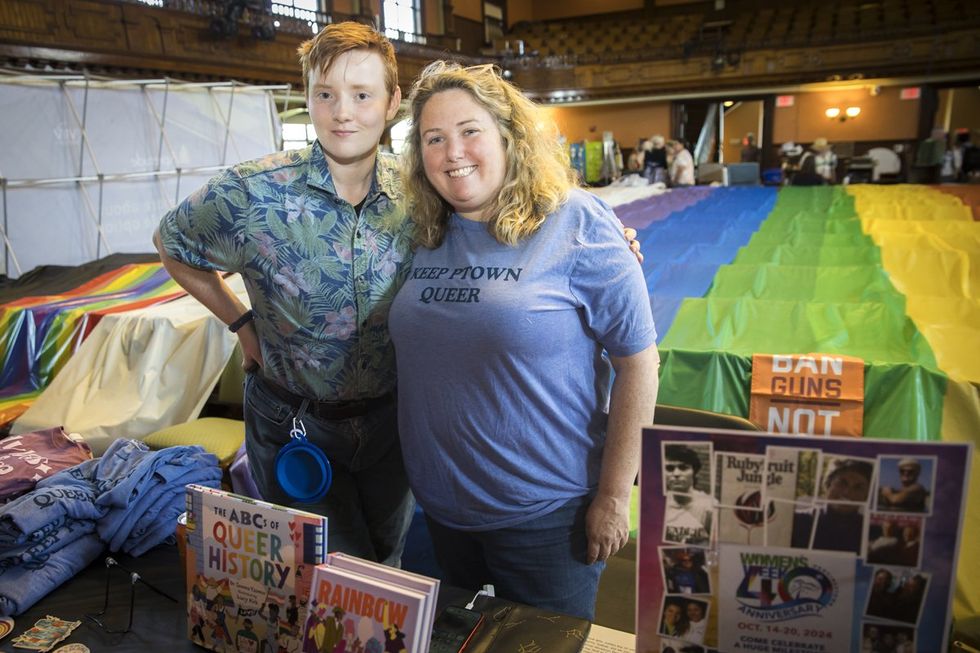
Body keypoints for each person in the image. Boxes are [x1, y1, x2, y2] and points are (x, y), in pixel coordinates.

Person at [390, 61, 660, 622]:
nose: (451, 151)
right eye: (433, 139)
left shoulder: (577, 222)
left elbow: (638, 362)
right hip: (439, 513)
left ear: (508, 137)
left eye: (470, 131)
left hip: (545, 518)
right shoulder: (419, 232)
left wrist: (614, 495)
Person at [154, 22, 416, 566]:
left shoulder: (419, 192)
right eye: (326, 95)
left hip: (392, 420)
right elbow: (171, 242)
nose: (343, 112)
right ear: (308, 98)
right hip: (296, 419)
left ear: (393, 102)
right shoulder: (253, 192)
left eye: (362, 95)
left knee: (386, 563)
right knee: (321, 574)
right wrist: (239, 321)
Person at [792, 458, 872, 554]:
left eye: (858, 487)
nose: (847, 492)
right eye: (842, 483)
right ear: (828, 485)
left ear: (866, 496)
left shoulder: (872, 532)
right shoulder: (796, 521)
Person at [663, 445, 713, 545]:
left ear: (694, 471)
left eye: (683, 468)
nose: (676, 473)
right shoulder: (657, 504)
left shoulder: (709, 506)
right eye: (669, 468)